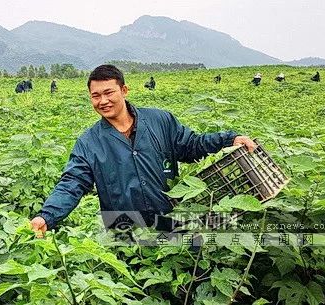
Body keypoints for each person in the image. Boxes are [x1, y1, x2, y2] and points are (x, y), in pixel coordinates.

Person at [30, 64, 255, 237]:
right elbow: (72, 183)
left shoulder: (160, 120)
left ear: (124, 90)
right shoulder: (88, 143)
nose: (103, 101)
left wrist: (230, 139)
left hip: (172, 222)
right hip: (124, 231)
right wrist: (46, 216)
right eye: (95, 96)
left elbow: (192, 145)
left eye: (109, 93)